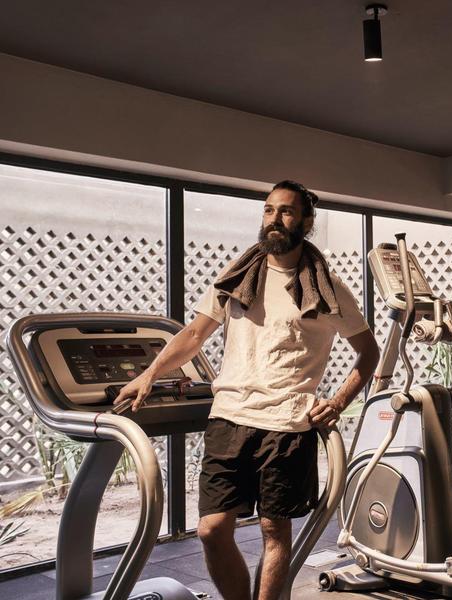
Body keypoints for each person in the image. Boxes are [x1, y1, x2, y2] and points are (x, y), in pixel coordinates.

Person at [113, 180, 380, 600]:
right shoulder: (237, 276)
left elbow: (368, 351)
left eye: (287, 211)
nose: (275, 219)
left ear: (306, 222)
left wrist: (339, 400)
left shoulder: (329, 289)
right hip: (230, 416)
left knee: (275, 530)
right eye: (269, 210)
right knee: (211, 529)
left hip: (287, 422)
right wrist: (150, 374)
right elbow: (194, 334)